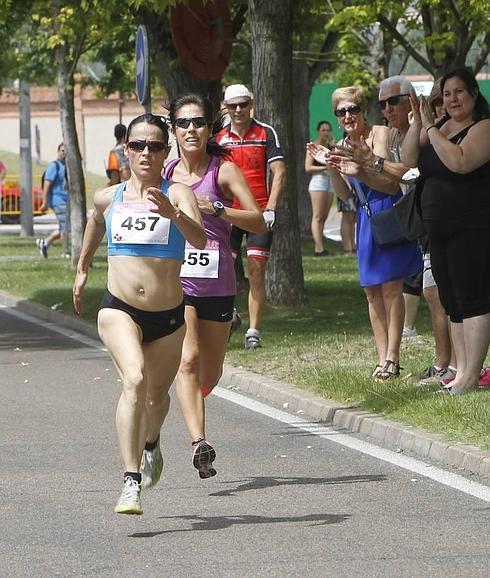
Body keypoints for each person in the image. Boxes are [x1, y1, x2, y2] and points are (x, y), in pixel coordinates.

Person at [72, 113, 206, 515]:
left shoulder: (178, 192)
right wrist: (82, 269)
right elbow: (95, 222)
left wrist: (173, 214)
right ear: (126, 149)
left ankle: (151, 443)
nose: (146, 152)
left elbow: (200, 239)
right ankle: (130, 482)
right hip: (119, 308)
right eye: (138, 145)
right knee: (134, 379)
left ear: (167, 151)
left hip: (167, 316)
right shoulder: (109, 196)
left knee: (156, 397)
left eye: (155, 146)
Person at [165, 93, 265, 478]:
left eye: (198, 123)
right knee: (187, 359)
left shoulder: (222, 170)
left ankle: (191, 397)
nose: (191, 129)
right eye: (184, 123)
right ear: (173, 130)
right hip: (179, 282)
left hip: (218, 283)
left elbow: (258, 220)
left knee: (211, 373)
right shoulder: (168, 172)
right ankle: (199, 443)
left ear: (209, 128)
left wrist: (218, 208)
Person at [308, 85, 422, 380]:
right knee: (372, 292)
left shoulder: (380, 135)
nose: (348, 116)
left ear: (363, 111)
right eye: (341, 111)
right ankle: (381, 357)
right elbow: (346, 196)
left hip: (389, 212)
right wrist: (331, 166)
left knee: (391, 288)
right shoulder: (341, 145)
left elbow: (388, 184)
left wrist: (360, 167)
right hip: (366, 218)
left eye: (353, 109)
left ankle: (393, 358)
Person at [401, 68, 490, 394]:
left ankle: (470, 377)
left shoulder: (483, 128)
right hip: (438, 229)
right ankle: (462, 372)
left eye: (458, 92)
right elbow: (409, 157)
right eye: (445, 95)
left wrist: (429, 128)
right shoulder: (437, 127)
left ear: (473, 94)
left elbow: (460, 162)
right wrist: (417, 122)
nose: (451, 100)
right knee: (452, 301)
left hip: (473, 227)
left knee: (474, 299)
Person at [215, 84, 286, 350]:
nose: (238, 110)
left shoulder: (265, 132)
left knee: (256, 271)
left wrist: (271, 209)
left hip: (259, 212)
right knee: (224, 267)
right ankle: (228, 314)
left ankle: (253, 331)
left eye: (243, 104)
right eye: (232, 106)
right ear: (225, 107)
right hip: (229, 213)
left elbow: (279, 172)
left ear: (251, 103)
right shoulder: (219, 139)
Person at [377, 76, 424, 339]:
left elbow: (409, 171)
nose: (387, 109)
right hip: (409, 214)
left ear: (411, 101)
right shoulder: (392, 135)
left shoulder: (423, 130)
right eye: (382, 104)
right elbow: (389, 179)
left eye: (393, 102)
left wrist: (374, 163)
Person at [305, 120, 335, 256]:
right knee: (317, 215)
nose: (326, 133)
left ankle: (320, 244)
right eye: (323, 130)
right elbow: (308, 167)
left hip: (330, 180)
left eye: (328, 130)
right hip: (318, 181)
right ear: (318, 131)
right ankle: (319, 248)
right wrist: (325, 167)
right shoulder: (314, 146)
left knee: (324, 215)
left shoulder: (330, 146)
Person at [36, 143, 68, 258]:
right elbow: (47, 184)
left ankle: (44, 243)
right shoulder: (54, 166)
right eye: (62, 151)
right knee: (65, 227)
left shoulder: (67, 165)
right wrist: (45, 202)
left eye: (66, 151)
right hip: (57, 201)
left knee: (65, 227)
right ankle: (65, 252)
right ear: (58, 151)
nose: (64, 153)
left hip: (66, 201)